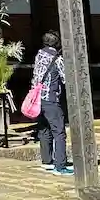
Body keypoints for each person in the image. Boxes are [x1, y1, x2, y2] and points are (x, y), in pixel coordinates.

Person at [32, 31, 72, 175]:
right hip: (51, 98)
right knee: (59, 132)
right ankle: (60, 165)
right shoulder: (57, 59)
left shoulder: (39, 55)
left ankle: (47, 160)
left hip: (38, 99)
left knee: (44, 129)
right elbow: (66, 78)